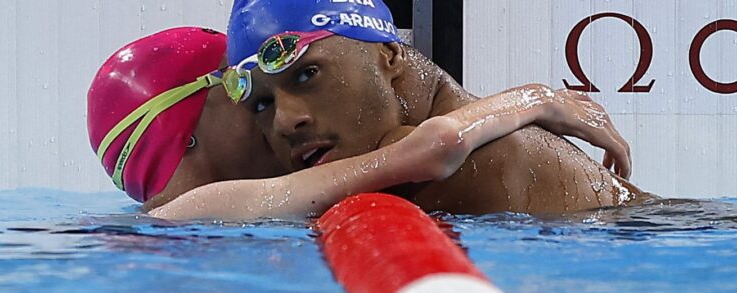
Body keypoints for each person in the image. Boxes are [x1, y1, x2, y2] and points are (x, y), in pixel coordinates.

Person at [87, 27, 636, 221]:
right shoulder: (200, 214)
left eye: (300, 80)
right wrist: (538, 99)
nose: (283, 120)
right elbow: (430, 147)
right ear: (190, 135)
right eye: (252, 99)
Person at [225, 0, 649, 215]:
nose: (285, 121)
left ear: (389, 56)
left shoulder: (481, 158)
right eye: (261, 103)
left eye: (306, 75)